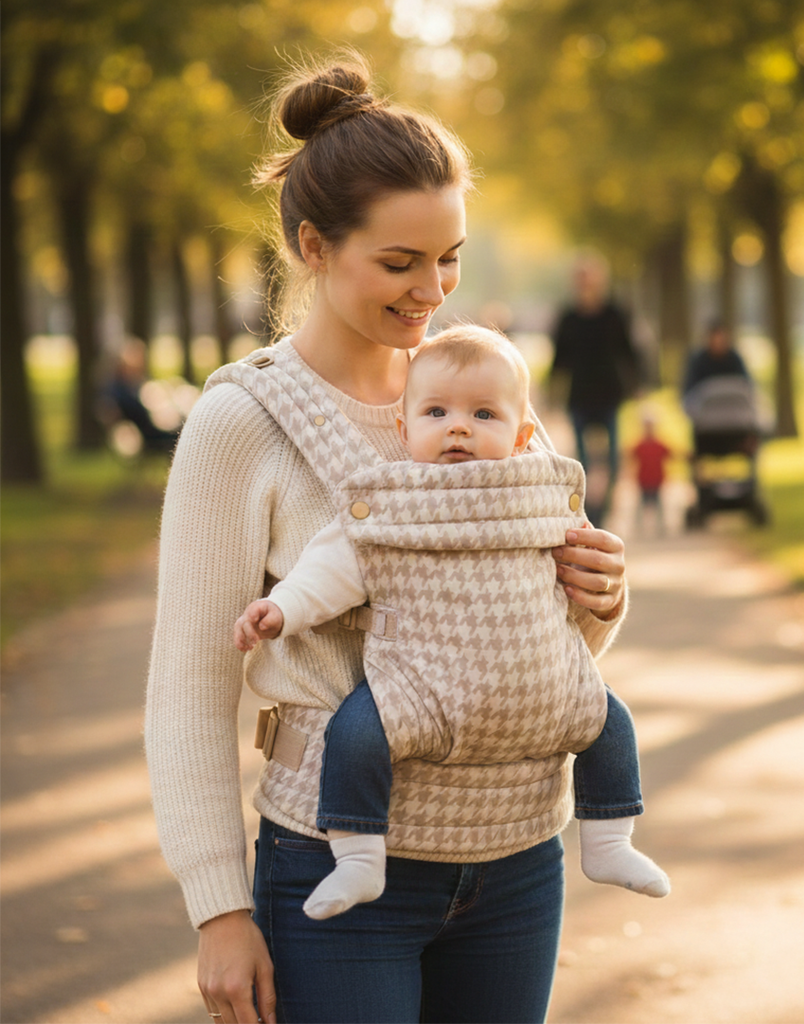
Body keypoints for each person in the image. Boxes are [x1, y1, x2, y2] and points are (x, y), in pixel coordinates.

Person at [145, 54, 634, 1024]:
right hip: (336, 867)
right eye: (400, 264)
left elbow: (541, 649)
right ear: (315, 247)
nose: (432, 292)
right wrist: (218, 908)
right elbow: (189, 685)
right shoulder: (244, 422)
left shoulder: (489, 398)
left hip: (517, 858)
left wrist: (601, 597)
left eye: (449, 256)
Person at [232, 325, 669, 921]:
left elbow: (579, 593)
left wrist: (604, 592)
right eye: (437, 411)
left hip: (543, 689)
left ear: (522, 437)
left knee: (610, 721)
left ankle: (610, 841)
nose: (458, 426)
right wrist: (282, 610)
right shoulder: (391, 499)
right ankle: (358, 854)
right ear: (404, 429)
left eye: (483, 414)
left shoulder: (537, 494)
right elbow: (332, 566)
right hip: (416, 689)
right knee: (356, 735)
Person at [550, 253, 640, 527]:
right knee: (584, 459)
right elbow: (559, 358)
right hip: (579, 396)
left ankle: (609, 505)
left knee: (613, 457)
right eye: (581, 277)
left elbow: (629, 352)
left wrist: (637, 385)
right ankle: (589, 509)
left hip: (609, 394)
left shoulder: (615, 313)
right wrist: (551, 391)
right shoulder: (568, 317)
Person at [682, 319, 750, 396]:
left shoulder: (734, 358)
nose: (718, 343)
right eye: (715, 340)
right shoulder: (698, 360)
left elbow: (746, 385)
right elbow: (689, 392)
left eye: (721, 340)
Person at [631, 416, 672, 537]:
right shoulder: (640, 445)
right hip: (644, 480)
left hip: (657, 480)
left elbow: (670, 455)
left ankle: (661, 529)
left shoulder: (659, 445)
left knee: (658, 507)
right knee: (642, 506)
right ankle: (639, 529)